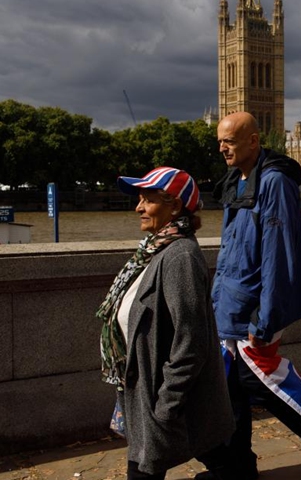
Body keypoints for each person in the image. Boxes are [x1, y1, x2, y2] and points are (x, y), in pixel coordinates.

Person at [211, 112, 301, 480]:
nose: (223, 148)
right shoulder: (236, 181)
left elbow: (279, 252)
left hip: (255, 307)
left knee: (261, 379)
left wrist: (266, 317)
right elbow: (230, 249)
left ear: (253, 141)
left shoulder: (274, 183)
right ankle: (238, 469)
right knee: (231, 388)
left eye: (231, 141)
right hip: (230, 303)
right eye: (220, 141)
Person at [98, 167, 236, 479]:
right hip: (144, 391)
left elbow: (192, 342)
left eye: (147, 199)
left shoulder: (179, 257)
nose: (138, 207)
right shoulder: (153, 252)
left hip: (158, 397)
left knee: (145, 467)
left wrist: (164, 406)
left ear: (174, 206)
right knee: (211, 452)